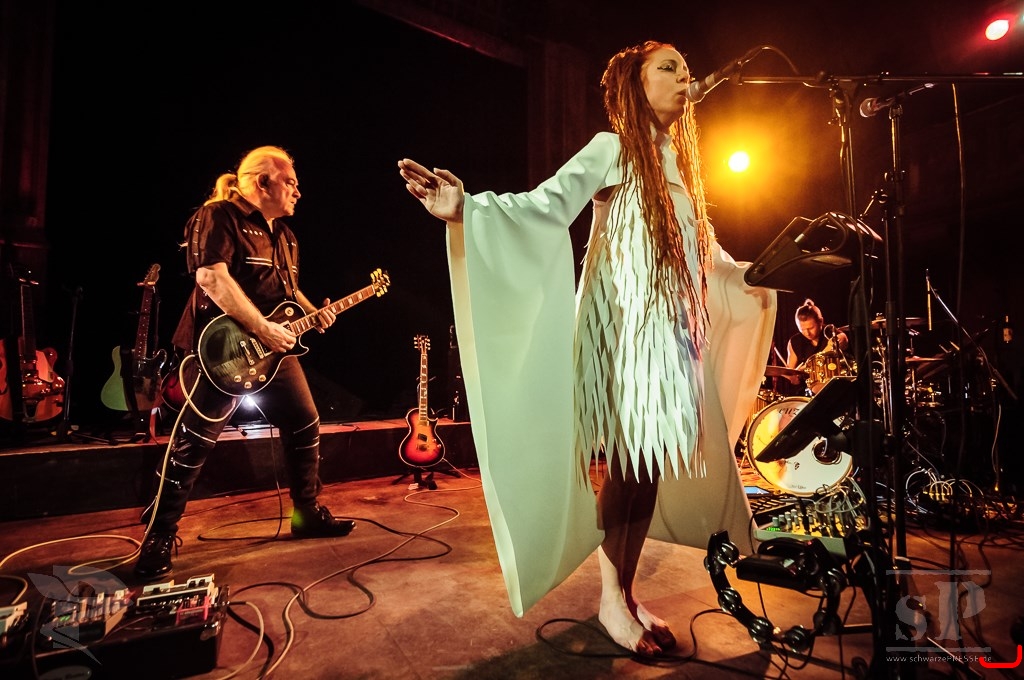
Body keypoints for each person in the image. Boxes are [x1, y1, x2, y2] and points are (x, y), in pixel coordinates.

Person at [398, 41, 776, 656]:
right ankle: (611, 599)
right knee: (628, 468)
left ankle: (624, 592)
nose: (685, 78)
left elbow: (705, 253)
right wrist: (465, 207)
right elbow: (545, 205)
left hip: (670, 337)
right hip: (623, 330)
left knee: (647, 470)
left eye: (685, 69)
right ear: (635, 83)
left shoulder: (679, 167)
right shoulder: (612, 147)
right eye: (669, 68)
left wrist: (760, 273)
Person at [134, 146, 355, 581]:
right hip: (222, 349)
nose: (298, 191)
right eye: (290, 182)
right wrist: (261, 328)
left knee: (305, 421)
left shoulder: (286, 236)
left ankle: (306, 513)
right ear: (262, 181)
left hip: (273, 350)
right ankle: (159, 536)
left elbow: (287, 293)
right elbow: (211, 278)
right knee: (194, 441)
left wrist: (314, 311)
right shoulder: (218, 216)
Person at [783, 298, 850, 395]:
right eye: (802, 329)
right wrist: (792, 377)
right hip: (809, 390)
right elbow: (790, 370)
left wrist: (806, 366)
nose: (807, 333)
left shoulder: (830, 332)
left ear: (821, 321)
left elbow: (841, 339)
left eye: (811, 328)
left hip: (837, 384)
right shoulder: (794, 342)